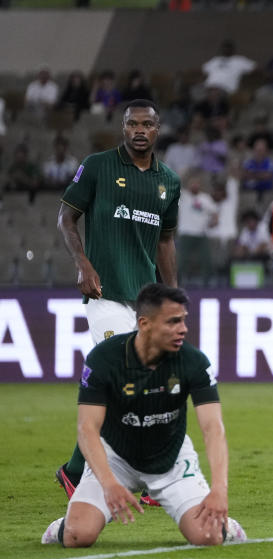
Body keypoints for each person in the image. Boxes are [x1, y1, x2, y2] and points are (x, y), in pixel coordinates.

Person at [41, 284, 246, 548]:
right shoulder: (104, 359)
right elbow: (87, 428)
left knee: (207, 537)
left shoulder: (193, 362)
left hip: (170, 460)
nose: (183, 329)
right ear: (144, 323)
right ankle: (64, 525)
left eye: (183, 320)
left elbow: (213, 428)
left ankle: (225, 527)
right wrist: (108, 482)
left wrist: (219, 489)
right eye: (172, 322)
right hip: (113, 458)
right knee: (78, 536)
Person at [54, 99, 181, 503]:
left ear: (158, 129)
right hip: (105, 293)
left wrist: (172, 297)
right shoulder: (98, 166)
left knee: (139, 386)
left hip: (143, 299)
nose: (139, 130)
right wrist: (82, 265)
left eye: (147, 124)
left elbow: (165, 240)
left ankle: (76, 470)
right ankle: (115, 474)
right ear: (123, 128)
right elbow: (66, 217)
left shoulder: (169, 181)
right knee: (125, 377)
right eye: (132, 124)